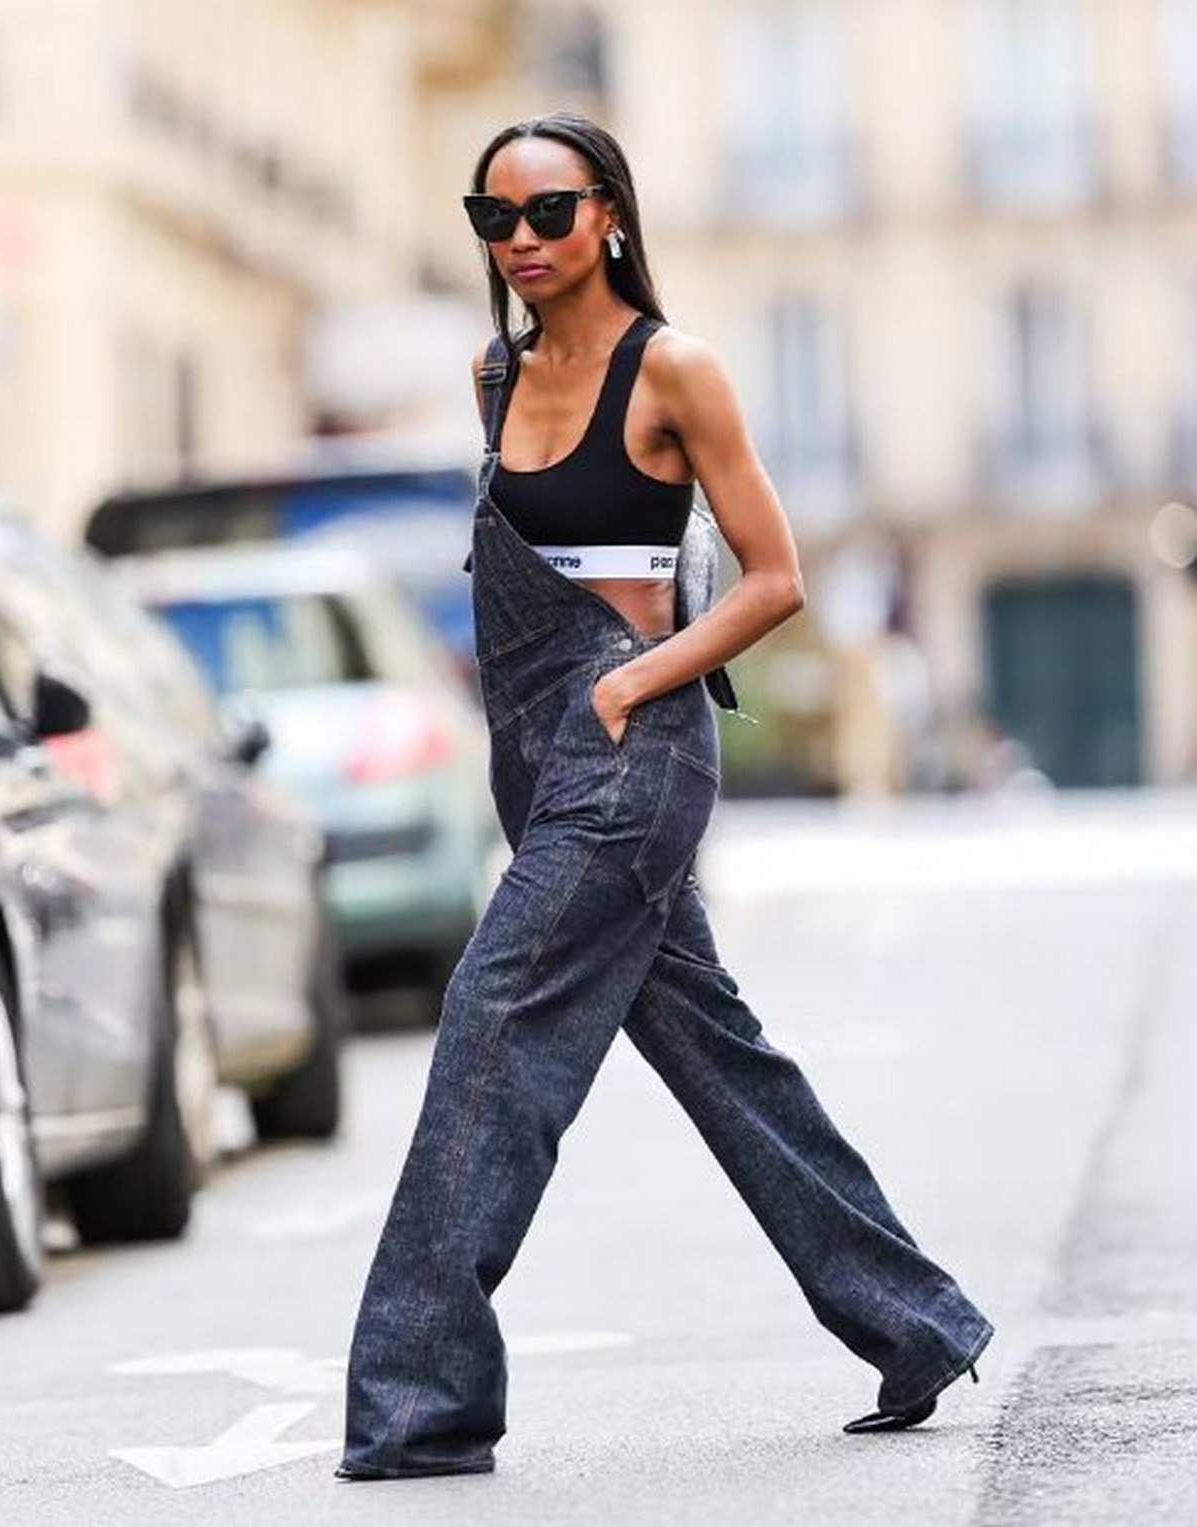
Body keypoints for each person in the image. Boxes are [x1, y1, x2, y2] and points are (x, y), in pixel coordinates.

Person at [335, 111, 993, 1482]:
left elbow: (773, 576)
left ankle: (421, 1400)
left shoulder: (673, 370)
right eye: (493, 218)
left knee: (490, 1022)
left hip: (629, 746)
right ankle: (914, 1320)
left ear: (610, 215)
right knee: (717, 1053)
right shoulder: (491, 377)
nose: (521, 241)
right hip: (538, 747)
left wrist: (632, 689)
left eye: (549, 211)